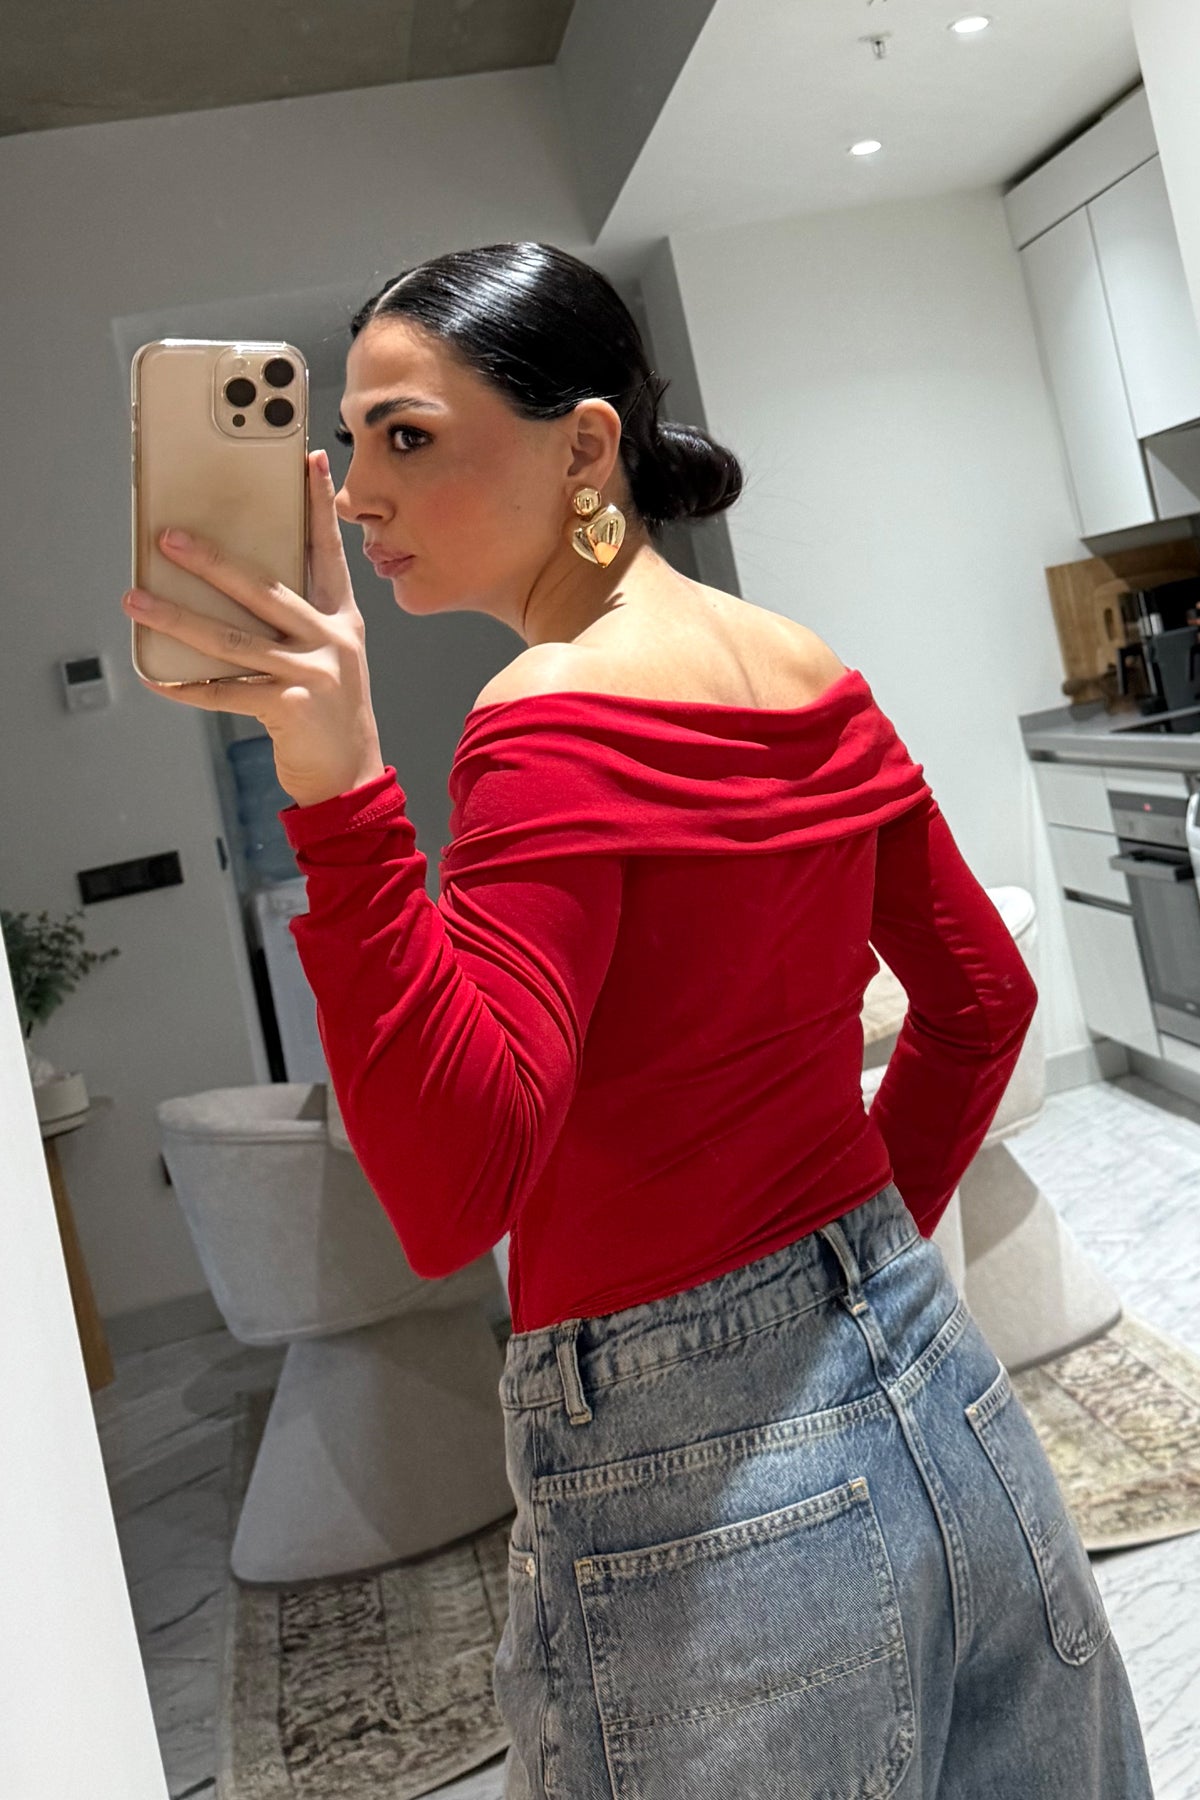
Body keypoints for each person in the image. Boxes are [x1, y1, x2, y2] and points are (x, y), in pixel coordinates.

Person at [125, 241, 1154, 1797]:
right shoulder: (804, 666)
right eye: (344, 442)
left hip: (704, 1476)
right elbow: (982, 1000)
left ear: (585, 444)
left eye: (407, 434)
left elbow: (453, 1195)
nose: (355, 492)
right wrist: (853, 1255)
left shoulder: (545, 716)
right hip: (939, 1389)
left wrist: (338, 797)